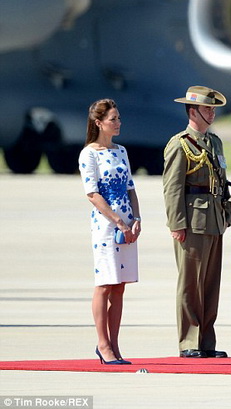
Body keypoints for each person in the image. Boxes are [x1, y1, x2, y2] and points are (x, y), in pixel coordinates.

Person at [163, 85, 231, 359]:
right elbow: (172, 188)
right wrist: (176, 223)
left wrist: (225, 212)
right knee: (191, 283)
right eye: (206, 109)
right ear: (192, 111)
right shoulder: (179, 144)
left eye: (213, 110)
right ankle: (188, 340)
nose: (211, 114)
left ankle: (206, 340)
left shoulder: (214, 142)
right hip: (192, 221)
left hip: (214, 219)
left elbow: (221, 181)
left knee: (210, 284)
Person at [78, 98, 141, 365]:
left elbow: (130, 187)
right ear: (99, 122)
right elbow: (92, 193)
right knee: (105, 284)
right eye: (113, 119)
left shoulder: (121, 151)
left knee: (119, 286)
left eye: (118, 118)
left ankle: (115, 345)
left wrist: (136, 218)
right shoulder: (89, 154)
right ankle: (103, 344)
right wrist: (118, 221)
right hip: (106, 225)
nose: (118, 123)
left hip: (127, 222)